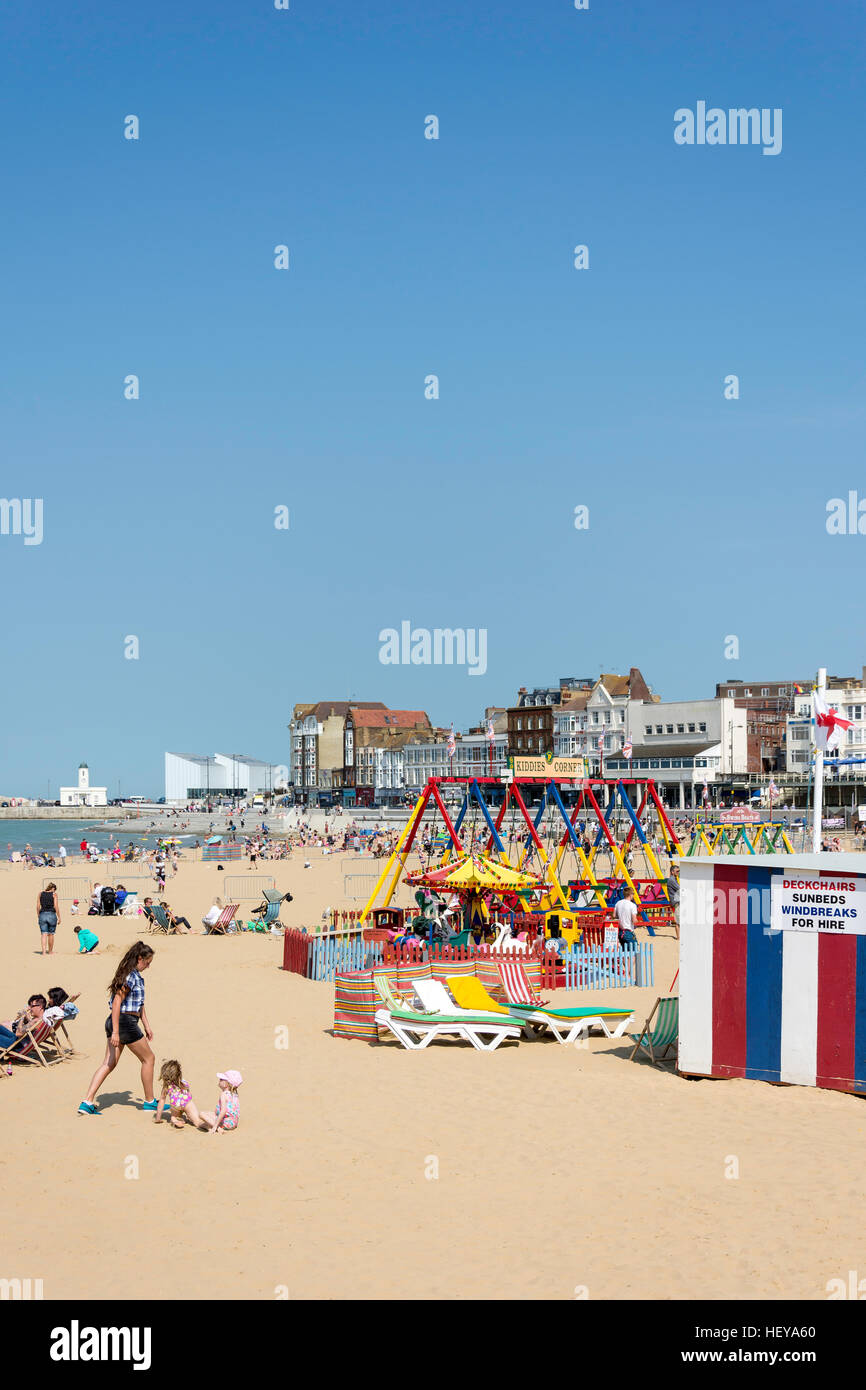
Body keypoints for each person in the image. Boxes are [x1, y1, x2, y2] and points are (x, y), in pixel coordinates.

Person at [78, 942, 156, 1116]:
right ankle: (150, 1101)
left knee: (109, 1063)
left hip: (123, 1021)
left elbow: (139, 1005)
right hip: (124, 1022)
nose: (149, 966)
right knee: (149, 1058)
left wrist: (147, 1025)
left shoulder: (134, 976)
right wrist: (115, 1031)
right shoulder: (130, 977)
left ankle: (87, 1101)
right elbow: (117, 1002)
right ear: (139, 958)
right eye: (147, 962)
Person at [153, 1059, 207, 1130]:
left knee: (174, 1116)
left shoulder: (166, 1086)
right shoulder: (183, 1082)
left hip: (175, 1105)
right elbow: (189, 1093)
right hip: (187, 1103)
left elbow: (162, 1100)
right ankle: (208, 1126)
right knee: (197, 1122)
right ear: (179, 1073)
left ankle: (175, 1120)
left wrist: (158, 1118)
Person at [37, 882, 60, 956]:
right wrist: (59, 917)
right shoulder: (54, 895)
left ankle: (43, 952)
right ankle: (50, 951)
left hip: (42, 914)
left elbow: (38, 906)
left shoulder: (40, 893)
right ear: (53, 889)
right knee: (51, 934)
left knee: (43, 934)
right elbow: (56, 906)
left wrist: (38, 915)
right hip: (51, 914)